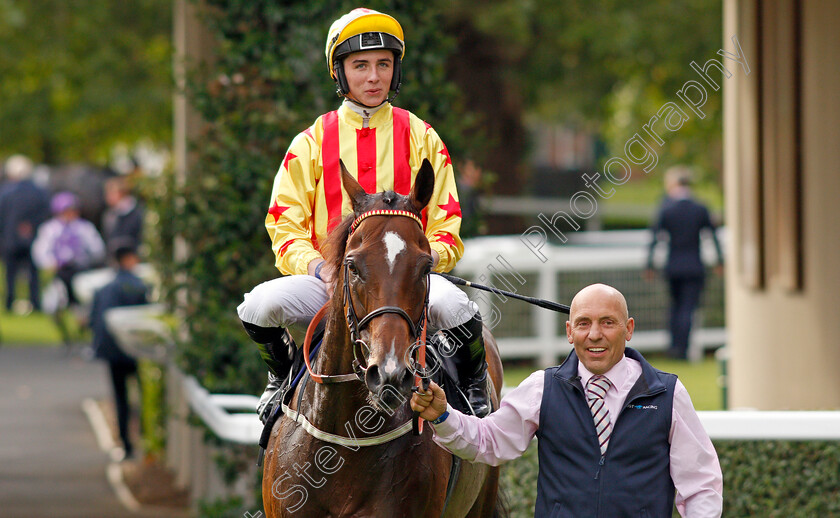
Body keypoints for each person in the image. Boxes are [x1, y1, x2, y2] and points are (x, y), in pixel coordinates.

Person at [236, 7, 489, 421]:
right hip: (332, 283)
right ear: (339, 73)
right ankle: (279, 377)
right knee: (258, 306)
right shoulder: (311, 143)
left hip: (407, 285)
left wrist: (420, 265)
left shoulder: (423, 136)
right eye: (361, 66)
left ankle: (475, 389)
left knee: (458, 308)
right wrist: (320, 268)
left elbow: (447, 225)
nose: (373, 77)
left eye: (383, 65)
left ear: (395, 70)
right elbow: (284, 225)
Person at [411, 283, 723, 517]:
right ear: (569, 332)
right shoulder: (541, 388)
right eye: (584, 323)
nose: (595, 334)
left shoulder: (667, 394)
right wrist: (442, 415)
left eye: (607, 322)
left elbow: (701, 485)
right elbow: (487, 441)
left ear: (628, 329)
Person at [645, 166, 724, 359]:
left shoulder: (666, 208)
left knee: (674, 308)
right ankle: (682, 348)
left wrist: (649, 264)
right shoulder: (700, 208)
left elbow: (654, 237)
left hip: (673, 265)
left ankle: (674, 347)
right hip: (694, 265)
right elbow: (712, 236)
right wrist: (719, 261)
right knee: (688, 309)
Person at [89, 240, 148, 459]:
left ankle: (126, 444)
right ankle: (144, 436)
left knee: (120, 397)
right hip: (137, 352)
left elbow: (94, 322)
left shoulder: (103, 289)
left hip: (112, 353)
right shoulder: (139, 286)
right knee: (142, 393)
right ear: (130, 259)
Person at [32, 191, 107, 308]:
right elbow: (40, 250)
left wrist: (87, 259)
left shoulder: (85, 228)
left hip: (80, 269)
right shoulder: (50, 228)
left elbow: (97, 249)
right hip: (59, 271)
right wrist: (49, 263)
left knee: (82, 295)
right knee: (56, 297)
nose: (70, 214)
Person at [0, 155, 50, 313]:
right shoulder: (40, 191)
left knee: (10, 273)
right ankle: (35, 302)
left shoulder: (6, 192)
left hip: (10, 239)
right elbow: (46, 213)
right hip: (34, 238)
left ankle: (9, 302)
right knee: (34, 273)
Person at [101, 176, 144, 253]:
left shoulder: (136, 213)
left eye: (111, 193)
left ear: (121, 193)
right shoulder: (109, 215)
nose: (107, 197)